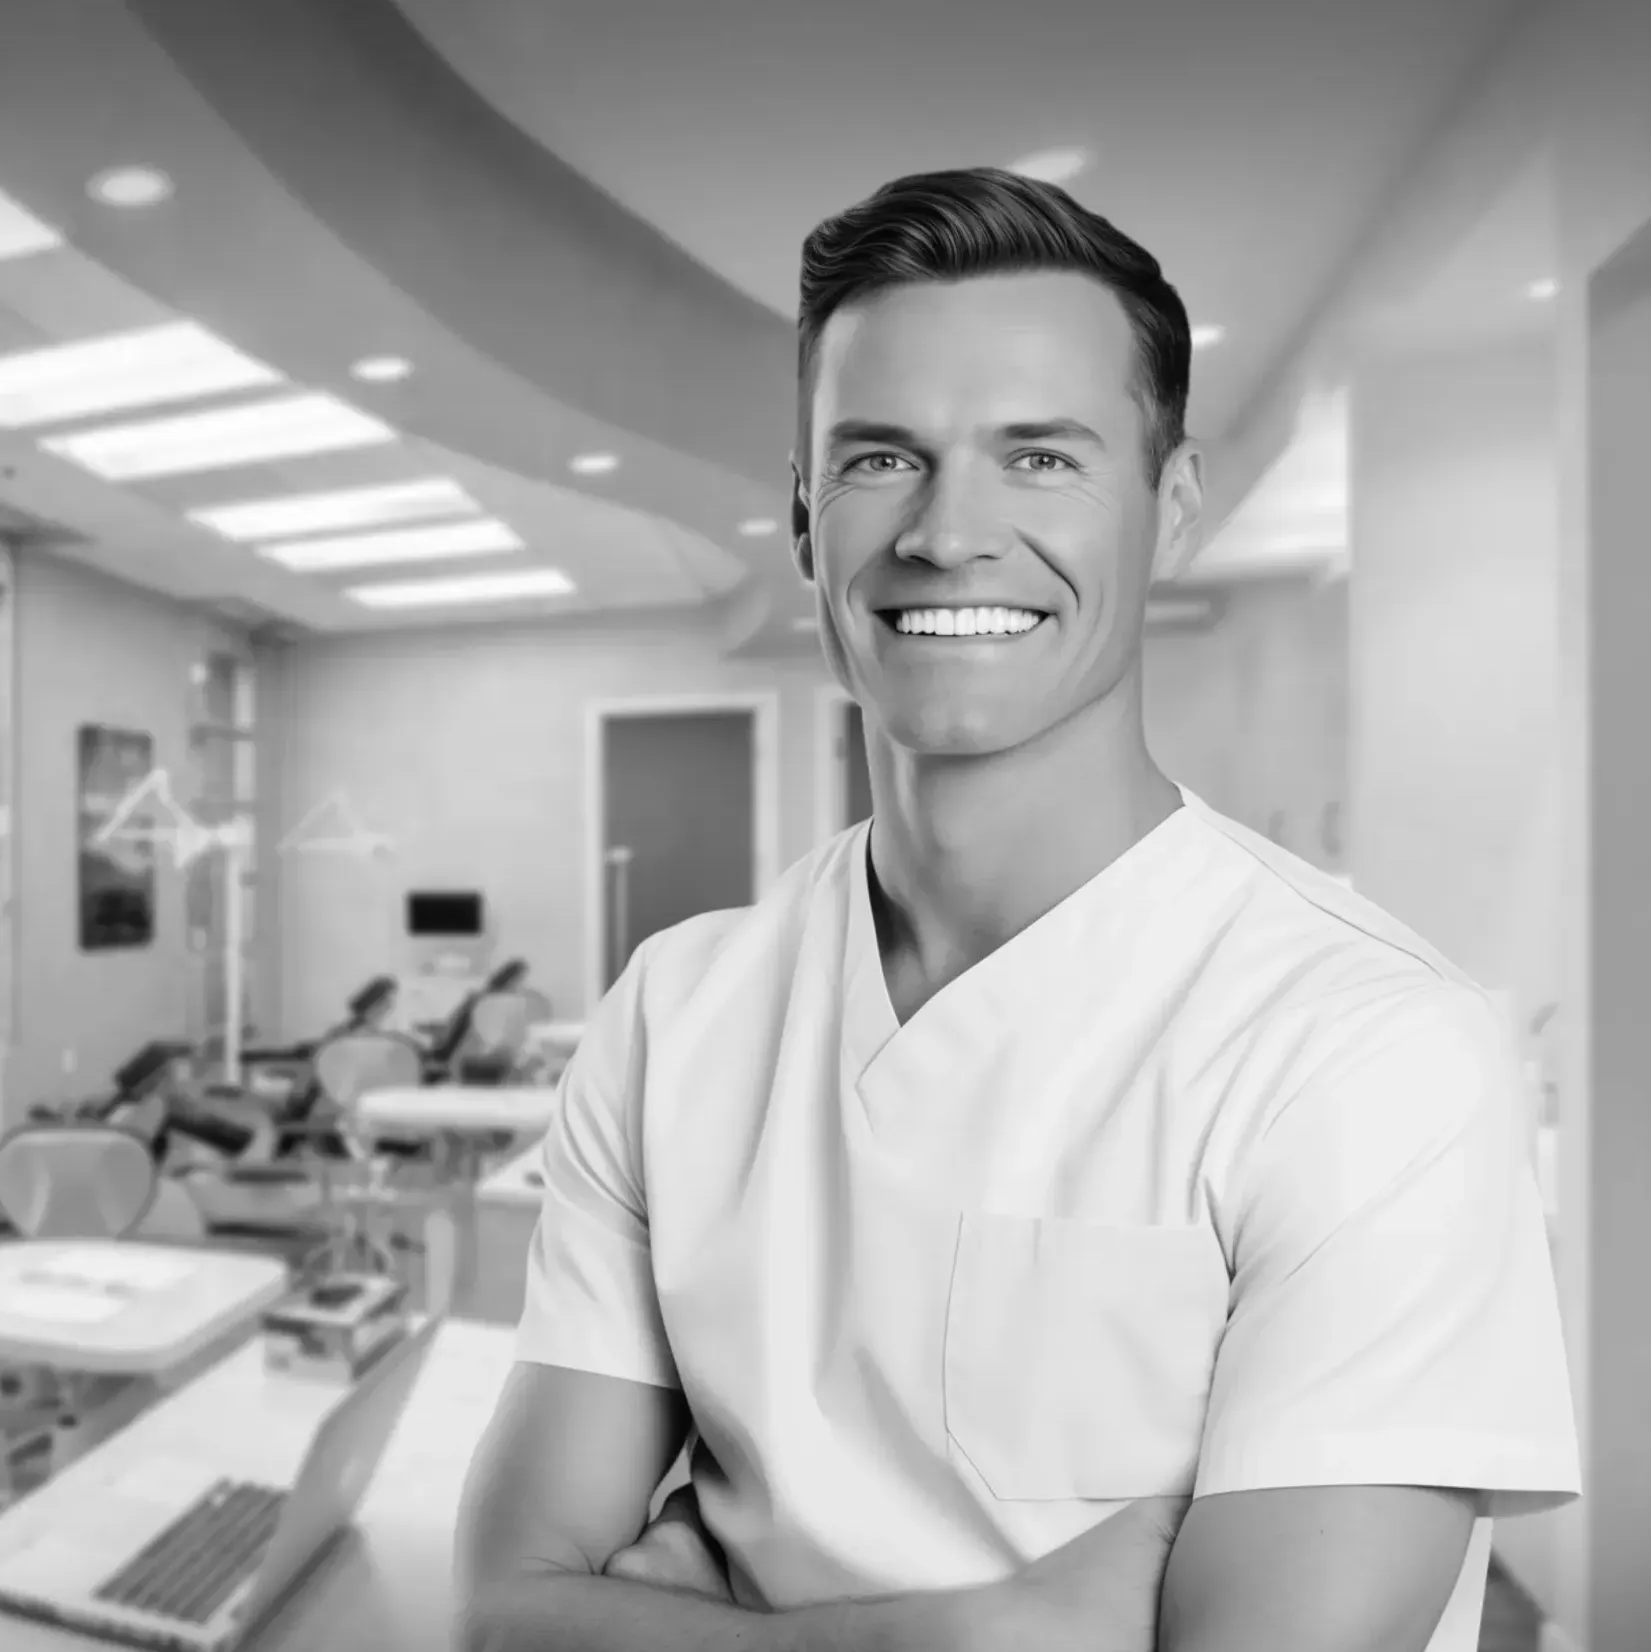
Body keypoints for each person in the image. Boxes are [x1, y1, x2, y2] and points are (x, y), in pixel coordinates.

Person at [454, 167, 1580, 1652]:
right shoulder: (675, 1010)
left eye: (1040, 458)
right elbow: (495, 1617)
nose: (948, 532)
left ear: (1170, 510)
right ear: (805, 519)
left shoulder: (1368, 1048)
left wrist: (678, 1619)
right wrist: (984, 1634)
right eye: (879, 460)